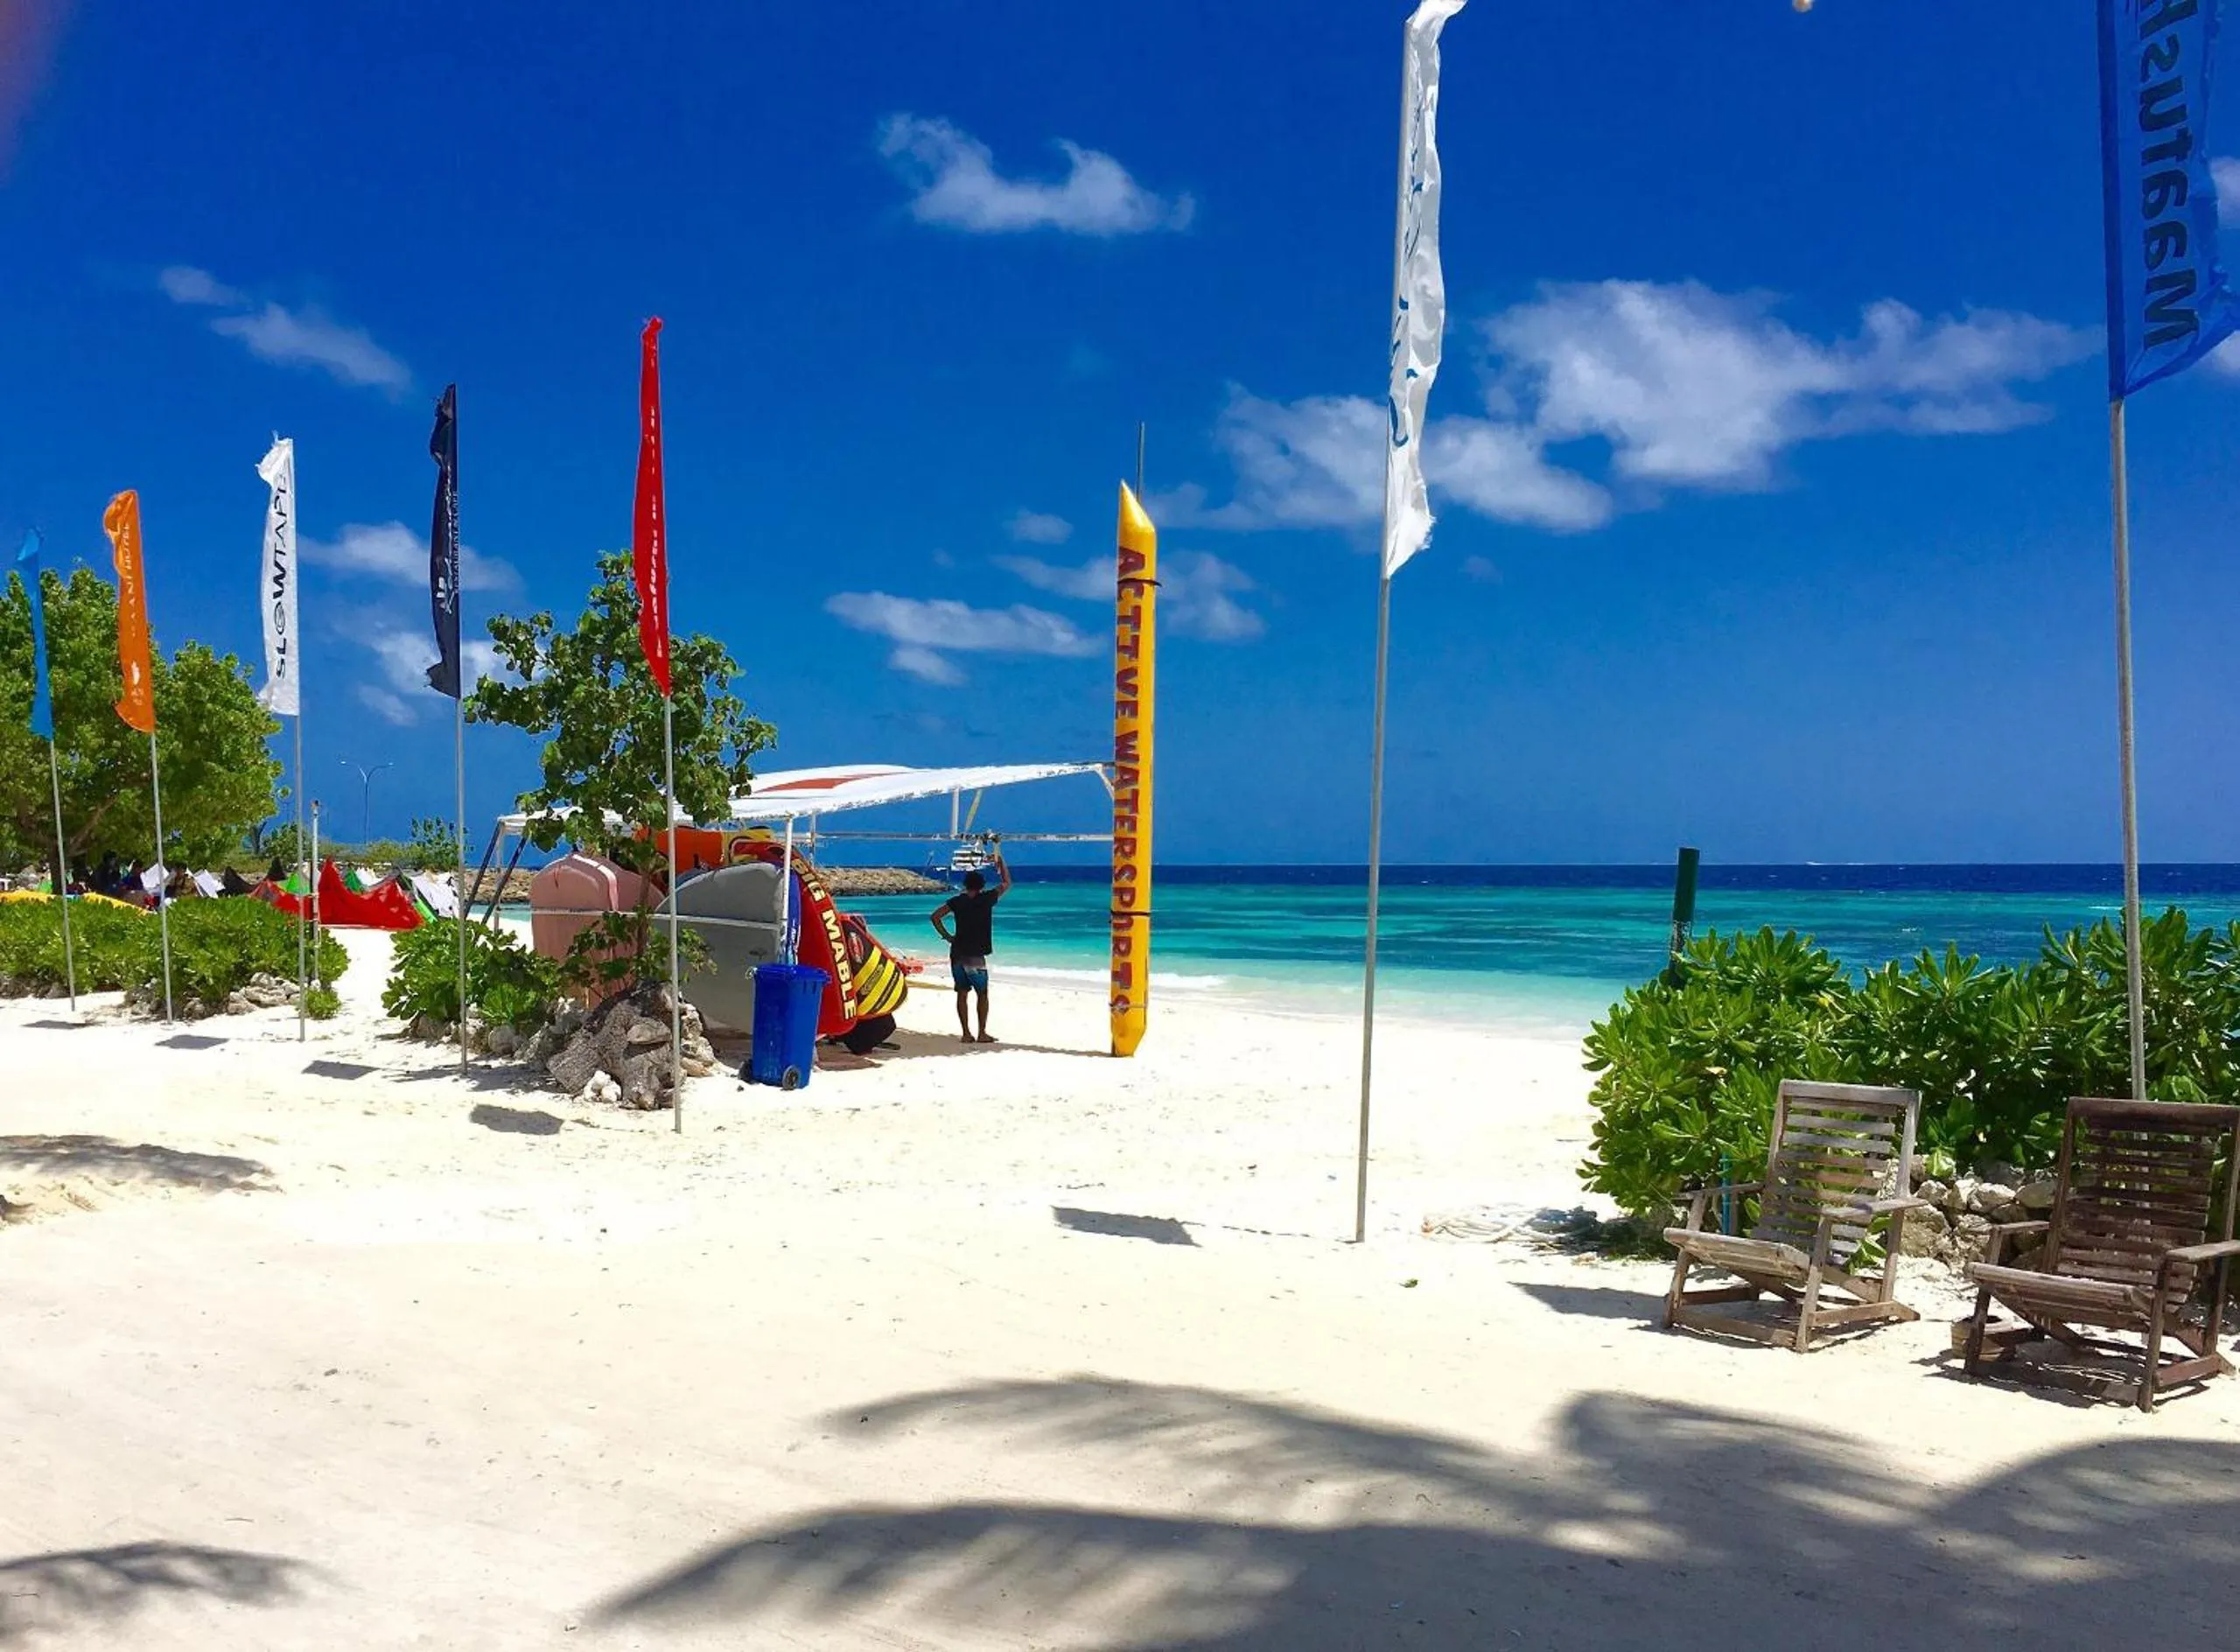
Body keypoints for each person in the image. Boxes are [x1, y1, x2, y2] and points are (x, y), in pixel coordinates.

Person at [931, 848, 1010, 1043]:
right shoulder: (987, 899)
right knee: (982, 993)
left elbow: (935, 917)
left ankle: (966, 1033)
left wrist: (947, 936)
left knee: (962, 993)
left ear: (965, 885)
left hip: (957, 951)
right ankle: (982, 1032)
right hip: (975, 955)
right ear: (982, 886)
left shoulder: (957, 901)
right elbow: (1007, 883)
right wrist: (1001, 860)